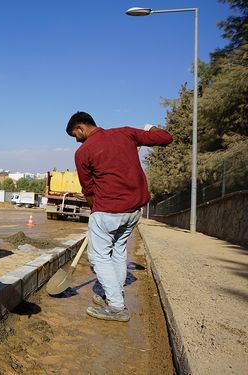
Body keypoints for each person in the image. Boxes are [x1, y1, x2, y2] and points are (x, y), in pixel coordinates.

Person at [66, 111, 173, 322]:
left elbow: (88, 189)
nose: (76, 140)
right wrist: (151, 128)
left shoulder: (83, 152)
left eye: (74, 135)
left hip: (108, 210)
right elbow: (166, 138)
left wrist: (95, 210)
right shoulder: (126, 134)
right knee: (118, 251)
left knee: (99, 257)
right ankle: (111, 293)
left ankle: (116, 307)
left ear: (80, 128)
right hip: (133, 211)